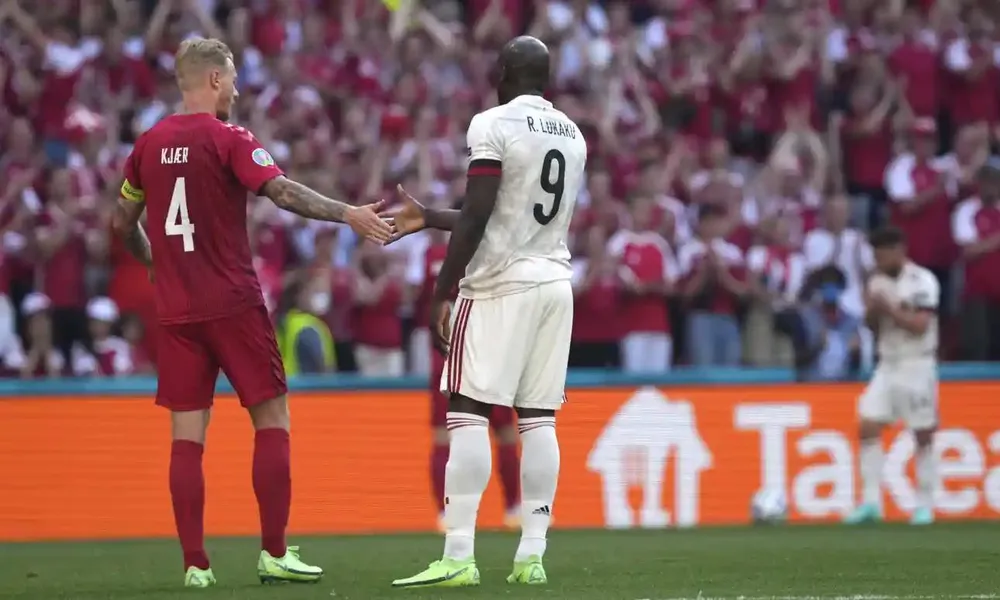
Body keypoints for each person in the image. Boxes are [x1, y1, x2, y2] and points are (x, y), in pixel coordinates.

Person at [109, 37, 392, 589]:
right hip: (232, 303)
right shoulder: (229, 138)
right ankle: (274, 553)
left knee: (187, 437)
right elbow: (281, 193)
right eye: (233, 80)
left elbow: (121, 222)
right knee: (272, 420)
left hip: (178, 313)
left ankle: (196, 565)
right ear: (214, 79)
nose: (236, 91)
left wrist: (155, 263)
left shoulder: (147, 145)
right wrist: (348, 214)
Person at [386, 36, 587, 588]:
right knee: (538, 418)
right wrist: (430, 216)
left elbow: (479, 215)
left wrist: (442, 290)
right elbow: (509, 216)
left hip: (500, 285)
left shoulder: (492, 123)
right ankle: (532, 555)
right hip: (555, 283)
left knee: (467, 411)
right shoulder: (572, 134)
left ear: (503, 73)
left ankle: (458, 554)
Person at [843, 226, 939, 526]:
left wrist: (889, 309)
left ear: (898, 250)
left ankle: (924, 506)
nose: (878, 261)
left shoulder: (922, 280)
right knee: (867, 424)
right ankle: (872, 503)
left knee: (922, 433)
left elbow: (920, 326)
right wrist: (872, 311)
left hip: (917, 363)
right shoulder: (877, 282)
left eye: (882, 255)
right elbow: (873, 327)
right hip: (887, 363)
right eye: (875, 256)